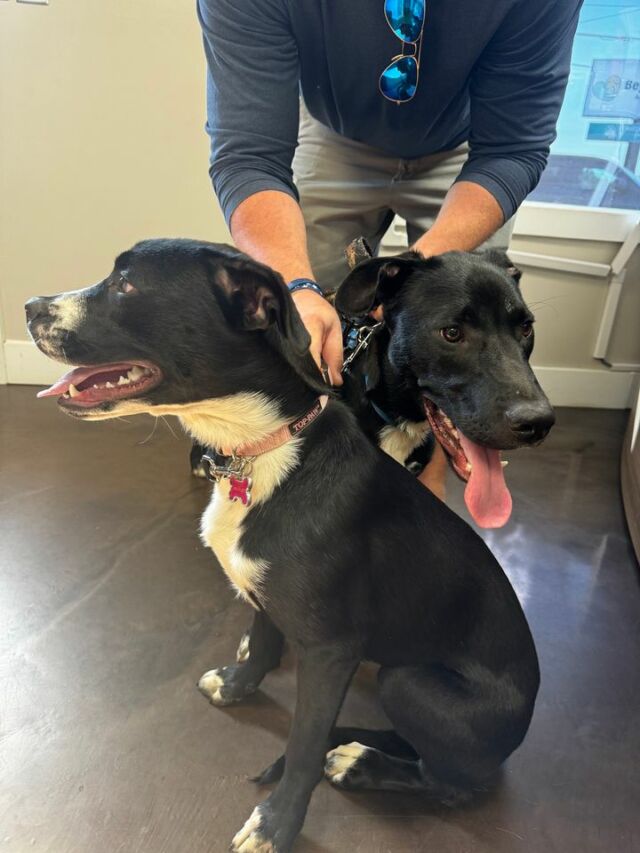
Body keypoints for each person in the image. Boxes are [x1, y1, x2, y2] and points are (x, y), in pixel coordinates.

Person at [196, 0, 581, 495]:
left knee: (468, 314)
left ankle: (430, 491)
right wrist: (297, 286)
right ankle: (300, 480)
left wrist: (415, 276)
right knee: (298, 329)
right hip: (334, 136)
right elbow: (248, 155)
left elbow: (513, 148)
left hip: (469, 155)